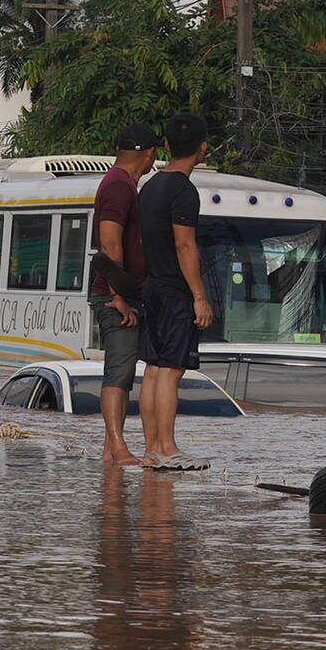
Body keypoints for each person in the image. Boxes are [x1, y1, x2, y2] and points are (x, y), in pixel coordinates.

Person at [137, 113, 213, 469]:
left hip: (151, 287)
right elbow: (185, 246)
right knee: (171, 370)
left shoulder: (149, 186)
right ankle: (167, 448)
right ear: (203, 148)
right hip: (173, 291)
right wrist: (199, 296)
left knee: (154, 368)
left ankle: (152, 448)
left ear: (166, 145)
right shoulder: (184, 191)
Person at [90, 123, 159, 466]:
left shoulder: (122, 184)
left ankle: (110, 453)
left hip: (120, 291)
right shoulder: (119, 185)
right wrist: (119, 295)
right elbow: (109, 241)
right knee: (118, 370)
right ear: (150, 154)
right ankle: (118, 446)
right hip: (113, 294)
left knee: (125, 369)